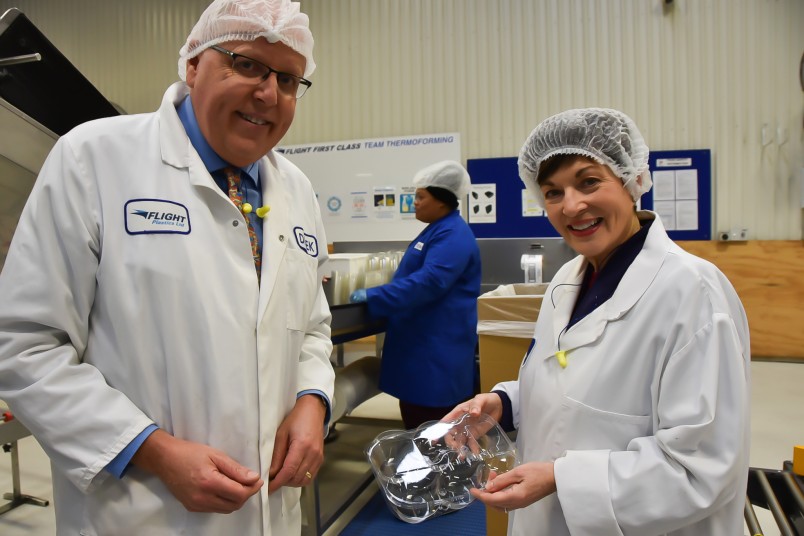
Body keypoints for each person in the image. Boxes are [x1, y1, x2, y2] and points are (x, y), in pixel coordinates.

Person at [0, 1, 335, 534]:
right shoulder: (94, 158)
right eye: (246, 64)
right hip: (141, 509)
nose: (269, 93)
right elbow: (24, 343)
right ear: (194, 65)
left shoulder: (296, 189)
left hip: (270, 509)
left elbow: (312, 326)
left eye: (289, 79)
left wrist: (313, 399)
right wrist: (150, 450)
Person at [443, 108, 750, 535]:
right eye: (552, 192)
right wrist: (505, 404)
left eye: (589, 182)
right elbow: (569, 380)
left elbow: (700, 469)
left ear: (631, 181)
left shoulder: (693, 294)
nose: (572, 205)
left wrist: (559, 478)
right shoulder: (568, 280)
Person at [350, 160, 482, 429]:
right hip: (422, 349)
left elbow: (430, 282)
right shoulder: (438, 229)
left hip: (435, 354)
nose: (414, 202)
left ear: (442, 201)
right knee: (417, 422)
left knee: (434, 431)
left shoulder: (453, 234)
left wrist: (375, 297)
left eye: (421, 196)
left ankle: (435, 472)